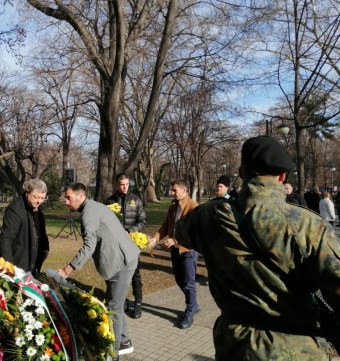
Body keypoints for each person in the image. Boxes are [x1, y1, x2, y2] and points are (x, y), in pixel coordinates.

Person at [175, 135, 340, 361]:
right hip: (297, 347)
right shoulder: (309, 225)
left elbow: (180, 233)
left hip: (233, 345)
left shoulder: (207, 216)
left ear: (242, 173)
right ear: (282, 176)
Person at [57, 183, 140, 361]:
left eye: (68, 197)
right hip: (121, 259)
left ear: (80, 196)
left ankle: (113, 354)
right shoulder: (94, 206)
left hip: (121, 263)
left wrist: (67, 269)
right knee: (114, 302)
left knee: (114, 307)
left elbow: (89, 245)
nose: (66, 201)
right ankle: (124, 340)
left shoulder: (88, 213)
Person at [150, 179, 199, 329]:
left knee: (189, 283)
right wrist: (156, 237)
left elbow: (194, 231)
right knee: (179, 281)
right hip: (175, 250)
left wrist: (175, 239)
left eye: (174, 190)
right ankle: (194, 304)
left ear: (185, 191)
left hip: (188, 251)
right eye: (172, 190)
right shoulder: (173, 206)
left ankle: (190, 310)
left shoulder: (193, 207)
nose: (172, 193)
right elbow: (166, 226)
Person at [106, 173, 146, 319]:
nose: (125, 187)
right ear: (117, 184)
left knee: (135, 274)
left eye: (127, 184)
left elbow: (142, 221)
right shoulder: (110, 201)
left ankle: (138, 303)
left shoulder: (136, 199)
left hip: (132, 243)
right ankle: (121, 301)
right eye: (122, 184)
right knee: (117, 272)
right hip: (116, 245)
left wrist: (129, 231)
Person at [0, 179, 49, 276]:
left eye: (42, 198)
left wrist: (45, 247)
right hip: (17, 261)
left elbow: (41, 231)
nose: (39, 201)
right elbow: (5, 238)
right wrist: (9, 266)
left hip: (32, 262)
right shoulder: (15, 209)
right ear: (27, 191)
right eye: (36, 197)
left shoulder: (37, 209)